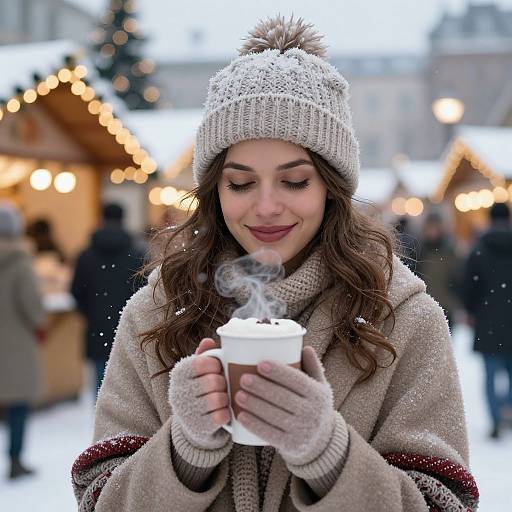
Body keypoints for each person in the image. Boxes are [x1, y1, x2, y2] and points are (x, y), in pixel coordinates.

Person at [72, 16, 478, 511]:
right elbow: (98, 499)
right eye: (240, 183)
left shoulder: (404, 318)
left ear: (331, 187)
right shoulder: (156, 313)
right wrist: (183, 454)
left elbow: (446, 504)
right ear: (214, 191)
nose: (266, 207)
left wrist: (329, 454)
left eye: (294, 181)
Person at [70, 203, 144, 397]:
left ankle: (102, 423)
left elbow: (76, 293)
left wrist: (92, 314)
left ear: (101, 219)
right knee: (129, 389)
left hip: (97, 328)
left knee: (101, 385)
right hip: (128, 328)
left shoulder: (85, 256)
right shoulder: (136, 255)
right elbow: (144, 294)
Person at [0, 203, 46, 479]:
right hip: (15, 340)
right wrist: (39, 324)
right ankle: (15, 459)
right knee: (18, 404)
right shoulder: (19, 260)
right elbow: (31, 303)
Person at [461, 202, 512, 439]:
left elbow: (468, 285)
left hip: (488, 322)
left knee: (490, 375)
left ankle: (494, 419)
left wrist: (471, 310)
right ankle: (508, 409)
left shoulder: (480, 248)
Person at [416, 211, 461, 329]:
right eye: (429, 227)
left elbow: (458, 277)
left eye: (435, 227)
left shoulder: (449, 250)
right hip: (425, 306)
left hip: (445, 306)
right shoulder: (419, 250)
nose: (432, 231)